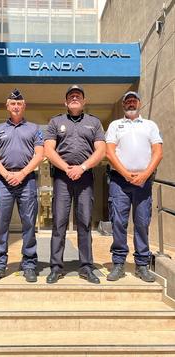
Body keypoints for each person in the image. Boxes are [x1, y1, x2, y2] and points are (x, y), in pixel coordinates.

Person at [44, 85, 106, 284]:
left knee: (85, 223)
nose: (75, 98)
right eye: (71, 96)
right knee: (59, 223)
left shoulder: (94, 122)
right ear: (65, 102)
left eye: (78, 96)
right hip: (62, 179)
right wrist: (67, 168)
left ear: (84, 101)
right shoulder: (56, 121)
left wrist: (82, 167)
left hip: (85, 178)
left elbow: (101, 150)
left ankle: (86, 267)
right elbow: (48, 150)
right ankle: (55, 267)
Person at [105, 91, 163, 282]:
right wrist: (125, 173)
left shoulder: (150, 125)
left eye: (134, 100)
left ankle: (141, 265)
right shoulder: (115, 125)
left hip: (143, 182)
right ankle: (119, 264)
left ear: (139, 103)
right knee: (118, 223)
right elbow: (109, 152)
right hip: (119, 181)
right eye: (127, 101)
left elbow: (158, 152)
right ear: (123, 105)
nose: (131, 103)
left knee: (142, 222)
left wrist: (145, 175)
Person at [0, 89, 44, 283]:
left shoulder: (34, 128)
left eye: (19, 103)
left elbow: (39, 155)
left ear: (24, 106)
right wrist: (6, 174)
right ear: (7, 106)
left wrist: (21, 174)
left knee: (29, 223)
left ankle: (29, 264)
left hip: (27, 179)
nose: (16, 106)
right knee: (1, 224)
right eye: (13, 103)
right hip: (4, 181)